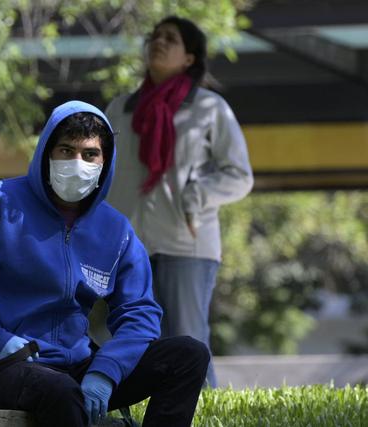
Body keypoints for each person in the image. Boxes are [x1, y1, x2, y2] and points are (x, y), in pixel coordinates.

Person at [0, 100, 209, 427]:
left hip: (79, 369)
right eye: (66, 150)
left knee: (188, 355)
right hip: (3, 368)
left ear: (105, 161)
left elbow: (141, 313)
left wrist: (106, 370)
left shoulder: (116, 230)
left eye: (90, 154)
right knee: (61, 391)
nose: (77, 162)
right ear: (47, 153)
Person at [105, 16, 254, 388]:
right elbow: (101, 175)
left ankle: (205, 413)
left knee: (188, 340)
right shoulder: (120, 108)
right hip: (127, 247)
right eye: (154, 36)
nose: (158, 42)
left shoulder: (209, 108)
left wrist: (196, 195)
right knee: (130, 342)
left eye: (170, 38)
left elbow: (240, 175)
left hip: (187, 243)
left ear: (189, 58)